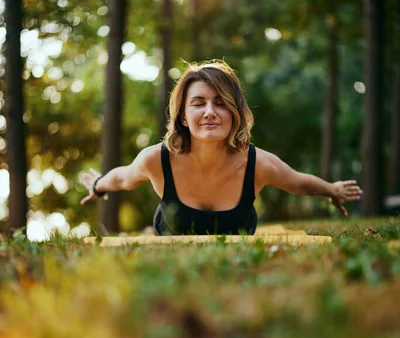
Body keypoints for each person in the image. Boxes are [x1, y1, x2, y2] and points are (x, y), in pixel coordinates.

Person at [79, 60, 362, 235]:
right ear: (183, 117)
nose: (210, 112)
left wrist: (332, 190)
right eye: (199, 103)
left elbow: (298, 183)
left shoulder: (258, 164)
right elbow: (123, 178)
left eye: (221, 102)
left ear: (235, 112)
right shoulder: (156, 159)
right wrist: (98, 185)